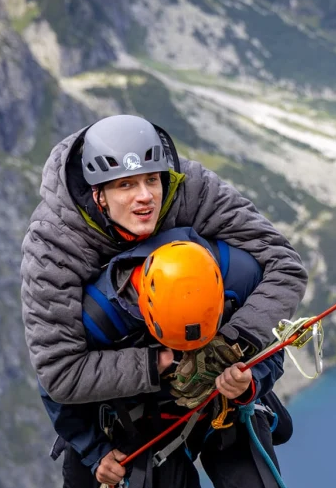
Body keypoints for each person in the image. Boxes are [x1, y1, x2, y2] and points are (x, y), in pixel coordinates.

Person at [40, 227, 322, 488]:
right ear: (145, 310)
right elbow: (58, 386)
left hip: (224, 413)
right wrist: (96, 453)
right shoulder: (98, 314)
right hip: (146, 431)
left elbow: (270, 342)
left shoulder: (240, 275)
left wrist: (249, 385)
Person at [20, 114, 308, 408]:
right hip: (128, 376)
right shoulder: (54, 240)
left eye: (151, 180)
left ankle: (238, 400)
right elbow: (58, 372)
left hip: (212, 335)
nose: (145, 196)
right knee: (96, 311)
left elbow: (285, 265)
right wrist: (156, 363)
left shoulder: (192, 189)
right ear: (99, 195)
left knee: (243, 266)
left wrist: (231, 344)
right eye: (125, 185)